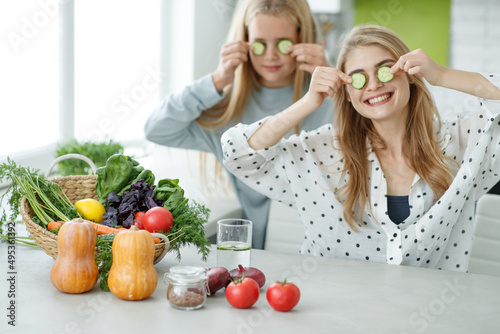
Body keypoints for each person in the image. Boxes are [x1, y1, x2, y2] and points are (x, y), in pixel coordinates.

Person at [221, 25, 500, 272]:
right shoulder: (321, 151)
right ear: (347, 91)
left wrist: (442, 75)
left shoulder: (461, 144)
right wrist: (308, 102)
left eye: (384, 69)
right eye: (358, 77)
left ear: (410, 75)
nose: (374, 84)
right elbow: (239, 154)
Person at [145, 0, 334, 249]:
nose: (270, 55)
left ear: (303, 40)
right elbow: (156, 128)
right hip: (245, 253)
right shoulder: (226, 112)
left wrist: (334, 80)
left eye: (282, 43)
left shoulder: (328, 100)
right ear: (243, 44)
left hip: (315, 246)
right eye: (259, 44)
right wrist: (217, 79)